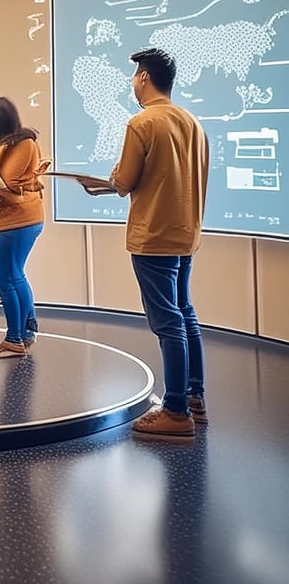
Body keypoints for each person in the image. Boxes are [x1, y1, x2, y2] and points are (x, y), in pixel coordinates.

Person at [110, 47, 209, 439]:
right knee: (185, 314)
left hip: (153, 236)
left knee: (167, 322)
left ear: (145, 78)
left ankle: (175, 411)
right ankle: (195, 396)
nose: (133, 82)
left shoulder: (143, 123)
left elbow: (125, 180)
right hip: (185, 235)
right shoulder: (192, 123)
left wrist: (112, 179)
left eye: (135, 75)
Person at [0, 97, 45, 358]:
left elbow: (9, 181)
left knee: (3, 275)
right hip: (11, 220)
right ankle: (26, 330)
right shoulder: (3, 144)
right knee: (15, 274)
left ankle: (15, 338)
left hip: (18, 219)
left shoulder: (24, 142)